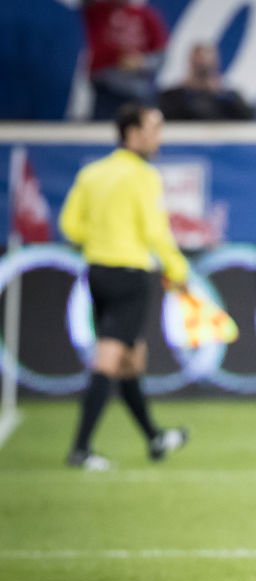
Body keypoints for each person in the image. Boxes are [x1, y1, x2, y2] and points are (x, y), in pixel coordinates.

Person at [59, 104, 190, 471]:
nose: (158, 138)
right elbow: (154, 231)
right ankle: (80, 449)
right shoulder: (142, 176)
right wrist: (176, 268)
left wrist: (99, 240)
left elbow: (70, 225)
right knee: (110, 359)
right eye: (153, 129)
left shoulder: (92, 174)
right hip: (130, 274)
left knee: (132, 361)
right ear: (132, 133)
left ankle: (154, 437)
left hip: (98, 272)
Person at [82, 0, 168, 120]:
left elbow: (161, 56)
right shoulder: (98, 11)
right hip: (106, 89)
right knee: (102, 131)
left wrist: (141, 62)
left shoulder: (146, 15)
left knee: (142, 128)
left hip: (139, 90)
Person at [159, 43, 256, 121]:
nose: (203, 67)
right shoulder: (174, 97)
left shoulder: (229, 98)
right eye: (199, 65)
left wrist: (220, 93)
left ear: (215, 66)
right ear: (191, 64)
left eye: (207, 67)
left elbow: (249, 118)